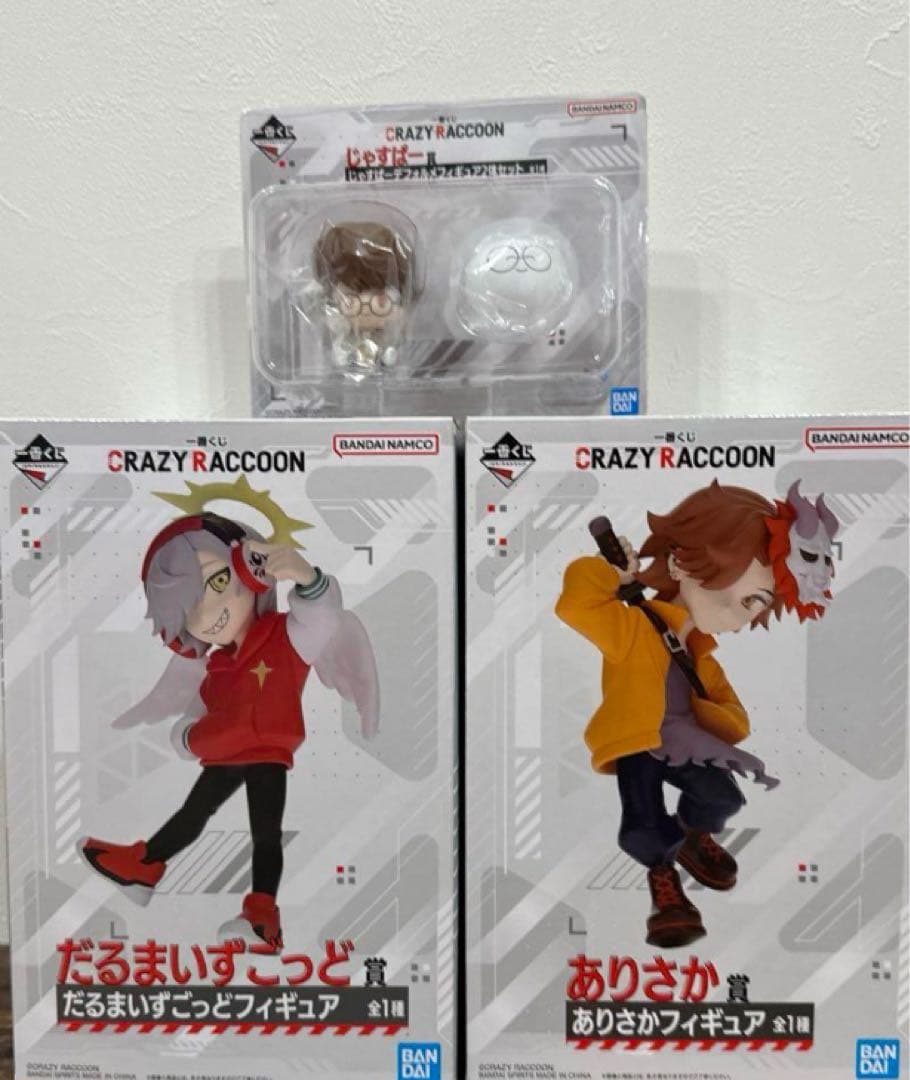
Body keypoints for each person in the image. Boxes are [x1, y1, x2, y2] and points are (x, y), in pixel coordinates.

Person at [555, 481, 837, 948]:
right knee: (644, 823)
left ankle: (691, 836)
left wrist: (714, 730)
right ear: (679, 565)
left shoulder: (701, 654)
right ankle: (664, 885)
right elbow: (575, 605)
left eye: (756, 603)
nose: (737, 615)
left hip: (683, 740)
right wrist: (612, 574)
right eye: (737, 592)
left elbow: (729, 709)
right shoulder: (631, 627)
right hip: (637, 742)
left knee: (723, 798)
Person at [80, 509, 379, 949]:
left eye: (218, 582)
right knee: (193, 813)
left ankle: (263, 918)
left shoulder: (285, 635)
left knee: (265, 833)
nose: (210, 611)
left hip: (266, 752)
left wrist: (307, 577)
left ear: (250, 571)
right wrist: (188, 735)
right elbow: (201, 711)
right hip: (227, 751)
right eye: (191, 609)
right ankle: (144, 865)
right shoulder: (217, 666)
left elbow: (323, 620)